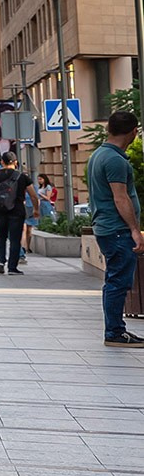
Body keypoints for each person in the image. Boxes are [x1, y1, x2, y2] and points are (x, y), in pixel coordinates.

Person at [91, 110, 143, 347]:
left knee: (114, 279)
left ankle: (114, 330)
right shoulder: (114, 160)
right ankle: (114, 332)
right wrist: (134, 229)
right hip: (117, 229)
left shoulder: (99, 155)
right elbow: (120, 198)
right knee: (118, 282)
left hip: (107, 228)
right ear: (134, 131)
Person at [0, 150, 31, 274]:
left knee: (1, 236)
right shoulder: (22, 177)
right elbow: (33, 195)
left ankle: (0, 261)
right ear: (16, 162)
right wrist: (37, 209)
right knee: (15, 239)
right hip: (17, 211)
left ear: (2, 162)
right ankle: (12, 268)